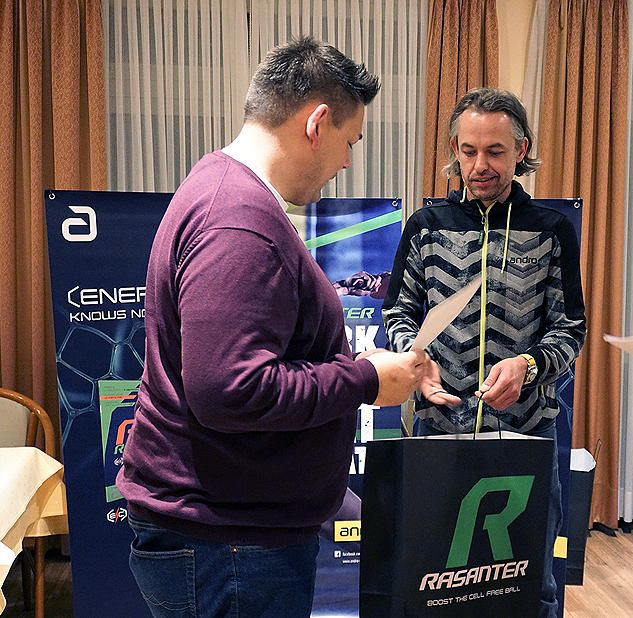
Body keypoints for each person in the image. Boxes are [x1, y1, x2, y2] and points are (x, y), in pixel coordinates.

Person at [116, 37, 427, 618]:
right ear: (317, 123)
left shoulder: (223, 189)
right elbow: (230, 390)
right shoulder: (238, 222)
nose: (346, 164)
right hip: (229, 545)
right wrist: (364, 380)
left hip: (228, 534)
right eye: (350, 142)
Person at [382, 87, 587, 618]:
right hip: (438, 432)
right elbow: (398, 313)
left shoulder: (551, 231)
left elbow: (570, 329)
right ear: (454, 148)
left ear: (521, 150)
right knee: (434, 581)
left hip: (526, 436)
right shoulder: (425, 227)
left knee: (528, 586)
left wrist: (528, 366)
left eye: (495, 151)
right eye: (468, 151)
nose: (479, 166)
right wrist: (416, 361)